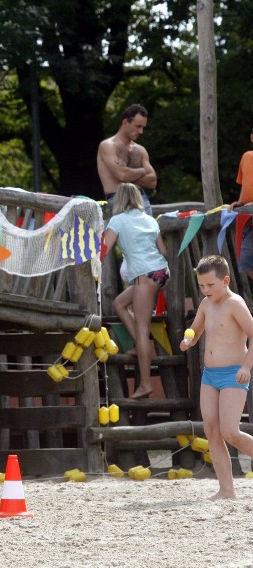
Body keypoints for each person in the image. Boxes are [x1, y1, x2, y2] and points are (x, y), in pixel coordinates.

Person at [180, 255, 253, 499]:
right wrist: (189, 340)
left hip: (234, 373)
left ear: (225, 280)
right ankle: (226, 489)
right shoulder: (205, 304)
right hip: (210, 375)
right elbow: (196, 330)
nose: (205, 290)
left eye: (210, 285)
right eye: (201, 285)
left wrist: (246, 367)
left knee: (230, 431)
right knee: (211, 430)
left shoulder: (236, 303)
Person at [103, 183, 169, 399]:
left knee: (143, 327)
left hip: (143, 274)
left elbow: (104, 248)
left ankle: (146, 384)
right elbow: (164, 250)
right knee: (120, 304)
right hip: (161, 272)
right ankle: (136, 345)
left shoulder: (117, 220)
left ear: (119, 199)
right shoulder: (150, 219)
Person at [97, 103, 157, 215]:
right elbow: (121, 175)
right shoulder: (108, 145)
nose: (141, 132)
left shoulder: (140, 150)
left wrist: (128, 172)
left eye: (143, 127)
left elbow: (153, 181)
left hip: (142, 199)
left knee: (150, 232)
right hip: (119, 199)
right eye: (138, 126)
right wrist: (142, 171)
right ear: (125, 122)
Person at [230, 126, 253, 281]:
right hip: (249, 219)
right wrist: (239, 202)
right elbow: (244, 184)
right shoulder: (246, 156)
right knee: (245, 260)